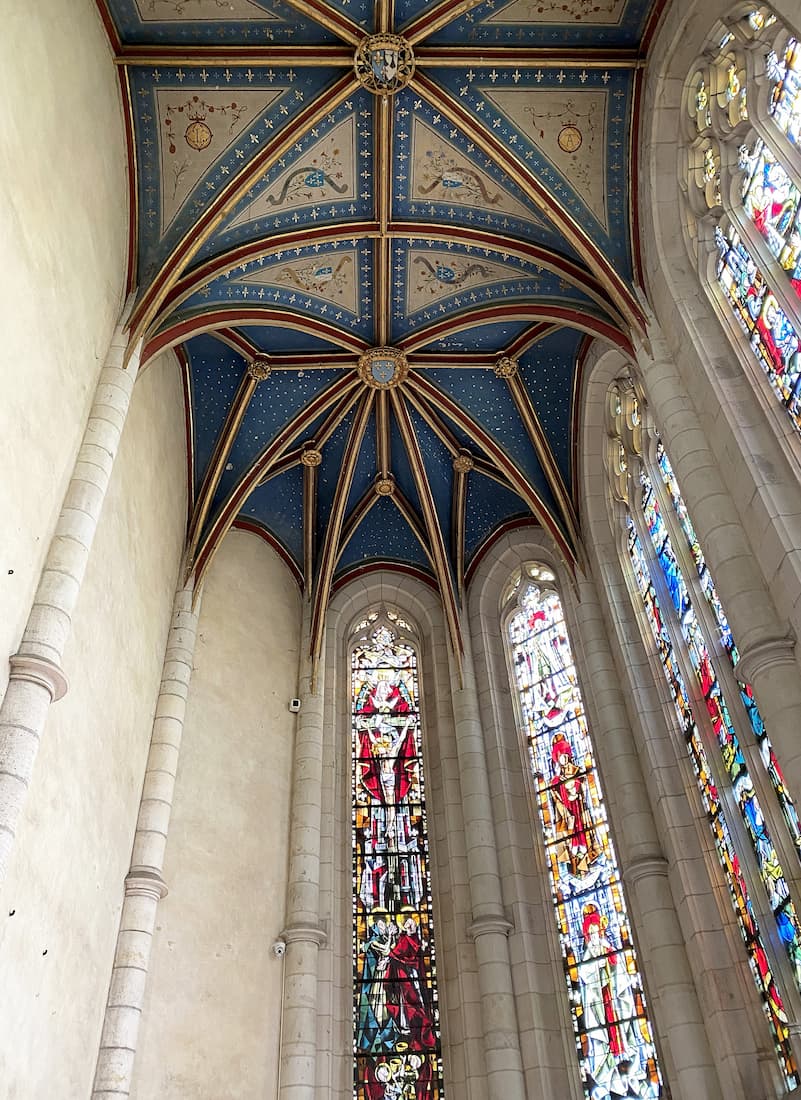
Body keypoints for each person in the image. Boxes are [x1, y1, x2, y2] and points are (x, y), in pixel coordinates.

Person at [387, 915, 437, 1051]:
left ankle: (420, 1026)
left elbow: (414, 956)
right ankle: (406, 1027)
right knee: (407, 1002)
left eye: (413, 925)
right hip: (405, 977)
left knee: (419, 1001)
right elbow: (397, 954)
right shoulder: (403, 939)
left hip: (415, 975)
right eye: (408, 925)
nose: (411, 927)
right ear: (404, 927)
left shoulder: (416, 939)